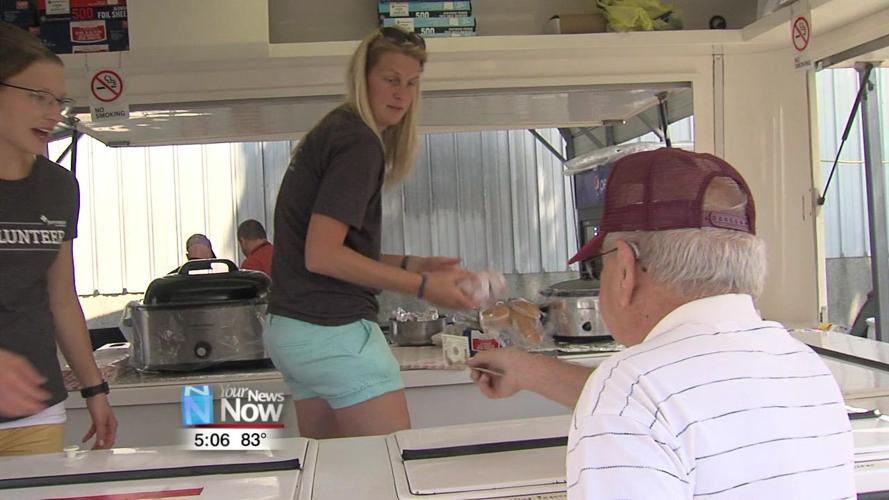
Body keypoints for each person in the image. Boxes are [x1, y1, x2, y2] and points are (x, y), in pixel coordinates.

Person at [469, 148, 855, 498]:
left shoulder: (630, 387)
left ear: (625, 269)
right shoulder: (804, 366)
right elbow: (674, 404)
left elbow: (647, 400)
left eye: (599, 266)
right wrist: (526, 369)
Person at [268, 26, 481, 439]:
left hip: (293, 332)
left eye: (412, 83)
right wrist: (422, 286)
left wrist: (412, 263)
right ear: (363, 79)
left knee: (330, 477)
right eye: (390, 80)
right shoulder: (359, 142)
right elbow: (323, 256)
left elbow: (328, 248)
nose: (402, 93)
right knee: (390, 477)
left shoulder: (333, 129)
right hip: (333, 332)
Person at [0, 22, 117, 455]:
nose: (53, 112)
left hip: (36, 409)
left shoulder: (58, 187)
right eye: (36, 97)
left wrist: (95, 389)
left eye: (59, 101)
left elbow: (61, 297)